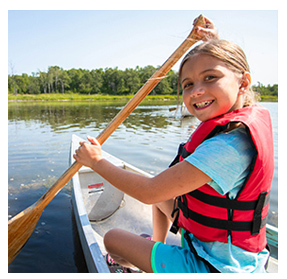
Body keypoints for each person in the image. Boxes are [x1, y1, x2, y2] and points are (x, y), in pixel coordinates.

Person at [73, 17, 274, 273]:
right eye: (188, 84)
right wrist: (214, 45)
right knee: (163, 194)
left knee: (112, 238)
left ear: (243, 83)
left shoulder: (228, 146)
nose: (196, 91)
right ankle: (157, 249)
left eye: (210, 77)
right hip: (221, 250)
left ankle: (151, 260)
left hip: (216, 268)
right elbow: (231, 76)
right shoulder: (243, 116)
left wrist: (96, 162)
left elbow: (149, 192)